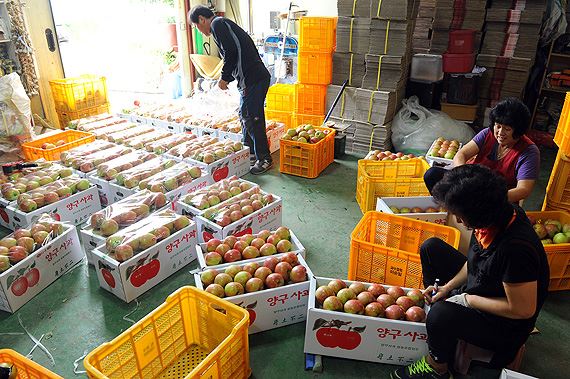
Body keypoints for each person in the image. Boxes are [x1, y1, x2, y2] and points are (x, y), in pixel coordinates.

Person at [392, 165, 549, 379]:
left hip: (505, 323)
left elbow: (522, 309)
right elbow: (475, 261)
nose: (456, 221)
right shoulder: (494, 217)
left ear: (480, 214)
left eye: (459, 215)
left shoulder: (516, 249)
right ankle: (440, 317)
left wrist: (468, 300)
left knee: (440, 314)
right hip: (488, 285)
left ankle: (437, 367)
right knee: (431, 248)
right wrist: (448, 287)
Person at [188, 5, 272, 175]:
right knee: (244, 114)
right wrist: (228, 77)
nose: (199, 30)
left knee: (253, 116)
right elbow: (234, 53)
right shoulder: (221, 25)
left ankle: (264, 158)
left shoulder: (218, 24)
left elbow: (230, 53)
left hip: (253, 78)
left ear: (202, 20)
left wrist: (225, 78)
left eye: (196, 26)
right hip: (248, 80)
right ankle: (250, 153)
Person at [424, 98, 540, 204]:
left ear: (519, 130)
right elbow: (462, 154)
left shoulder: (529, 152)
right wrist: (463, 177)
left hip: (498, 196)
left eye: (507, 129)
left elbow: (523, 190)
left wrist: (489, 198)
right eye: (498, 126)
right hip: (471, 183)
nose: (500, 133)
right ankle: (448, 211)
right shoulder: (487, 134)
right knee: (432, 174)